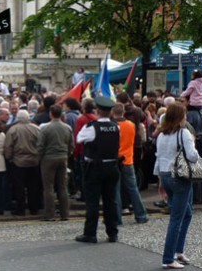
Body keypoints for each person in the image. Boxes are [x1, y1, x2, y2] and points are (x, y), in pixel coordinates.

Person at [155, 103, 198, 269]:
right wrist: (193, 144)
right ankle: (168, 258)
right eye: (184, 115)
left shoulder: (162, 134)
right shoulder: (184, 133)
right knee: (177, 218)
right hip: (180, 177)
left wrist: (160, 181)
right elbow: (192, 157)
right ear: (180, 117)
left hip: (166, 175)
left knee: (187, 213)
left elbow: (158, 158)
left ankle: (178, 251)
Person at [75, 97, 120, 244]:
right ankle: (112, 233)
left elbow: (79, 140)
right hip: (112, 166)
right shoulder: (116, 126)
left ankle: (90, 234)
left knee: (93, 202)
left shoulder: (91, 127)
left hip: (95, 168)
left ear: (98, 111)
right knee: (110, 201)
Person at [112, 104, 148, 224]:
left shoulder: (113, 126)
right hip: (128, 159)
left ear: (113, 112)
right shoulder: (130, 125)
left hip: (116, 160)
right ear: (123, 112)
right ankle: (141, 215)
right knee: (133, 189)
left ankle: (116, 218)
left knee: (115, 190)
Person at [38, 105, 73, 221]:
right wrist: (66, 155)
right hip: (63, 158)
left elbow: (40, 146)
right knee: (62, 187)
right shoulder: (67, 128)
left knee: (49, 187)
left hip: (48, 158)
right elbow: (71, 145)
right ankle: (65, 214)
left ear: (51, 114)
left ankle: (50, 214)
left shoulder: (45, 128)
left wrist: (40, 157)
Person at [4, 110, 42, 216]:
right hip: (34, 161)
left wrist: (9, 158)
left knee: (19, 187)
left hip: (18, 162)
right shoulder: (36, 129)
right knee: (33, 187)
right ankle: (33, 208)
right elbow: (41, 144)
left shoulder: (13, 130)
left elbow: (8, 146)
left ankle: (20, 209)